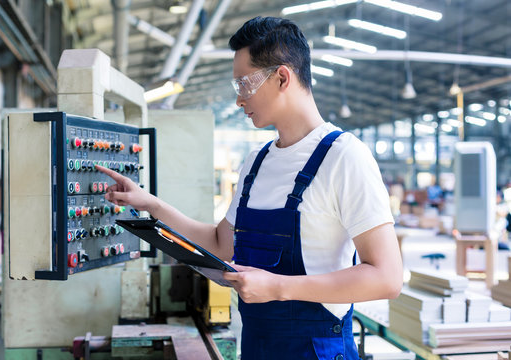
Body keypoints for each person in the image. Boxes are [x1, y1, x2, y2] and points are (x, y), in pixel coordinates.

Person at [97, 16, 402, 360]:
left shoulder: (344, 157)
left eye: (244, 84)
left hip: (318, 350)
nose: (239, 100)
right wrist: (150, 204)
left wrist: (278, 287)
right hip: (257, 348)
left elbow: (387, 277)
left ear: (282, 77)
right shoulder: (256, 162)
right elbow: (220, 244)